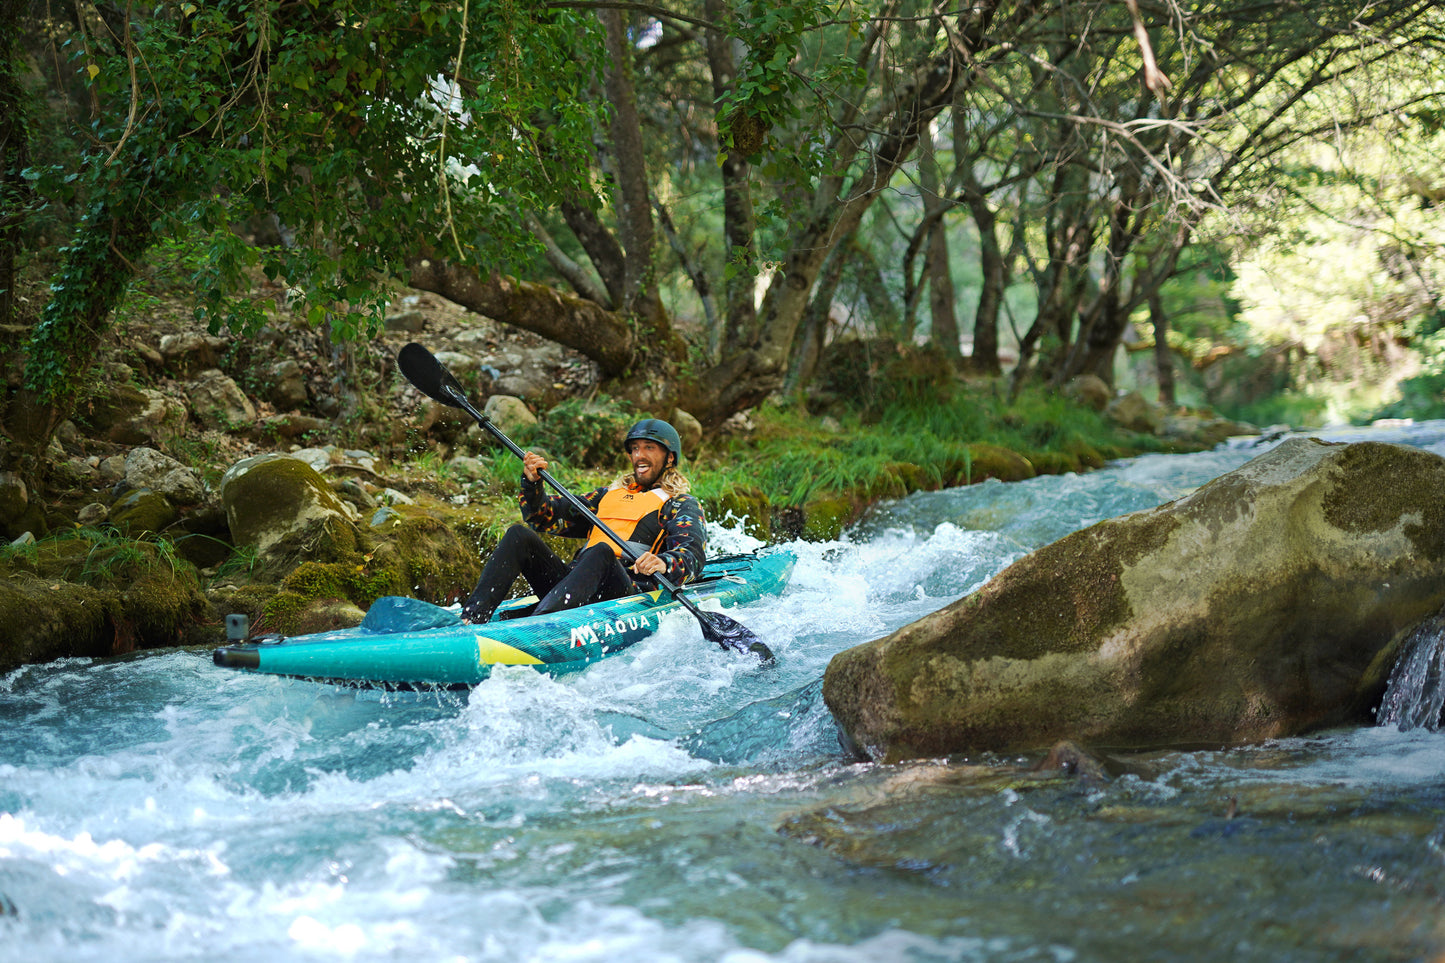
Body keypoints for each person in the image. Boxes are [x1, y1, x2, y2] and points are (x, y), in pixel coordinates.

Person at [461, 418, 707, 624]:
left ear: (670, 458)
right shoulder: (606, 496)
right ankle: (472, 618)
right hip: (576, 587)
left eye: (649, 448)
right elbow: (543, 517)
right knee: (519, 536)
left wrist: (662, 562)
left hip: (625, 594)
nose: (638, 456)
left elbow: (692, 557)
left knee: (601, 551)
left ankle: (541, 626)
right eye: (634, 448)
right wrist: (533, 484)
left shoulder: (679, 504)